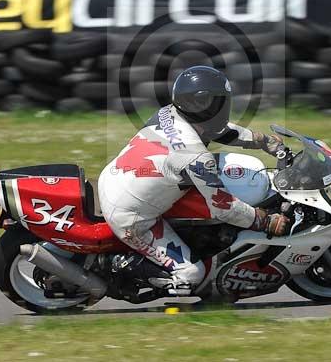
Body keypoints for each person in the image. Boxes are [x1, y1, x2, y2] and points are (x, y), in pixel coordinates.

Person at [97, 65, 291, 295]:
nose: (224, 106)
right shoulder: (195, 156)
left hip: (117, 179)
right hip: (131, 216)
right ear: (203, 104)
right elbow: (225, 208)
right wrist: (265, 222)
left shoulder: (169, 113)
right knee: (192, 276)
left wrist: (263, 141)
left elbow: (220, 130)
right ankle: (122, 267)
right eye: (219, 101)